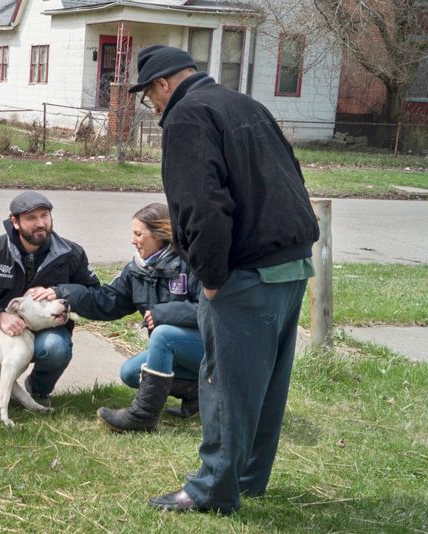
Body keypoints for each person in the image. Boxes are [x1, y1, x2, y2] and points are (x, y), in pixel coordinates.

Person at [129, 45, 319, 514]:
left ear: (164, 84)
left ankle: (212, 488)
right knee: (267, 383)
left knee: (226, 383)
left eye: (149, 95)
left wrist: (210, 279)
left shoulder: (186, 116)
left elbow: (201, 205)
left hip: (246, 270)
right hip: (290, 262)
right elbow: (291, 175)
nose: (151, 106)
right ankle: (249, 477)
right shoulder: (244, 103)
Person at [33, 203, 203, 432]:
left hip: (211, 350)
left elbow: (212, 310)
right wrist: (64, 293)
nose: (133, 240)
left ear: (160, 234)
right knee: (131, 372)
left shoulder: (191, 262)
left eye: (138, 234)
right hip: (175, 350)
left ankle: (143, 417)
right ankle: (199, 395)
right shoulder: (137, 270)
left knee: (163, 334)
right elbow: (106, 302)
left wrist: (165, 313)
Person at [0, 191, 100, 409]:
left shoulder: (72, 254)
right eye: (31, 218)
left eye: (44, 216)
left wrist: (61, 291)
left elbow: (95, 296)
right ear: (15, 222)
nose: (40, 224)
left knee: (55, 347)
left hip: (46, 333)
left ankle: (38, 390)